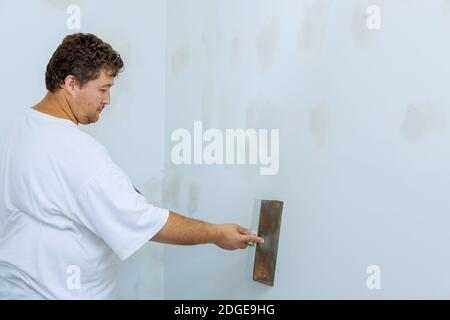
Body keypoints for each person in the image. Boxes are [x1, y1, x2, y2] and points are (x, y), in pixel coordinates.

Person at [0, 33, 264, 299]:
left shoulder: (24, 126)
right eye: (103, 89)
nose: (107, 100)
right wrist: (217, 234)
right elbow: (142, 219)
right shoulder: (79, 153)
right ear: (71, 84)